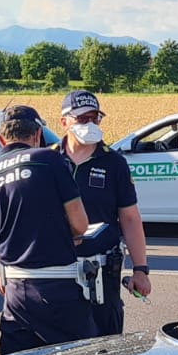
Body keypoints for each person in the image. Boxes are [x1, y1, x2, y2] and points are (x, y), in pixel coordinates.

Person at [0, 104, 94, 355]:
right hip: (56, 288)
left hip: (15, 292)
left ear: (1, 138)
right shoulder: (48, 160)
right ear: (38, 134)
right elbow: (80, 223)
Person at [55, 89, 152, 336]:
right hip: (56, 272)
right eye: (82, 119)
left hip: (101, 274)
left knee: (105, 347)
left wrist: (140, 269)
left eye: (94, 118)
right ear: (64, 122)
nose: (90, 124)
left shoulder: (114, 163)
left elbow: (130, 219)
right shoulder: (48, 161)